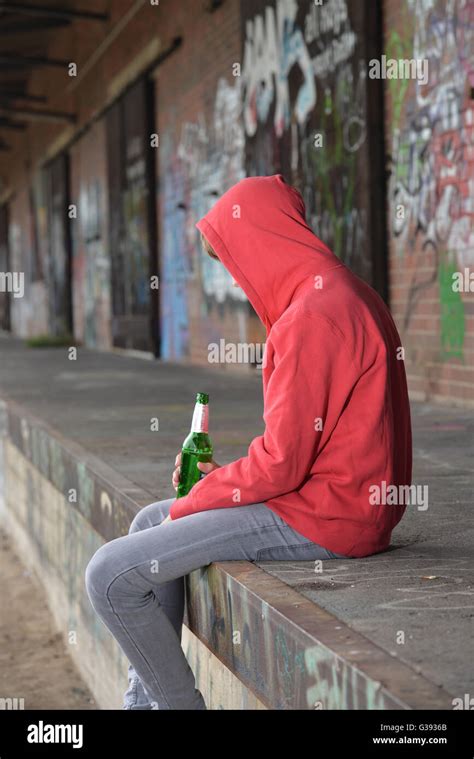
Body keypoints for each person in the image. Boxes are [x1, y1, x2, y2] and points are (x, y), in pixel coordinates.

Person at [85, 174, 412, 710]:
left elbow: (281, 465)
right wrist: (218, 484)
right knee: (149, 520)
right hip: (342, 501)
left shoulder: (312, 317)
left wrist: (201, 495)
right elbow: (299, 452)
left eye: (232, 261)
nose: (237, 280)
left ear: (260, 241)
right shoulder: (346, 291)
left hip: (329, 518)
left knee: (109, 576)